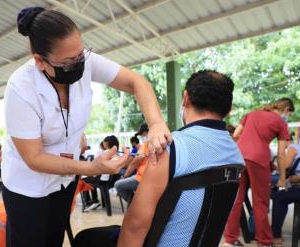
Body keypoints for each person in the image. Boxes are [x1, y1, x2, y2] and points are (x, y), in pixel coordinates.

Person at [2, 7, 171, 247]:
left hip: (64, 181)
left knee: (53, 239)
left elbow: (137, 82)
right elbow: (34, 158)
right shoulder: (20, 87)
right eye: (68, 62)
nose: (79, 64)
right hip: (28, 187)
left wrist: (156, 123)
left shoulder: (85, 61)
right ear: (40, 61)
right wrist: (92, 167)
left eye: (81, 55)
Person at [74, 70, 244, 247]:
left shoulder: (171, 147)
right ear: (229, 109)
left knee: (85, 238)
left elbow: (135, 226)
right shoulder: (236, 154)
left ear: (185, 99)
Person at [224, 98, 294, 247]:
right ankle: (264, 241)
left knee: (236, 199)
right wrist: (282, 178)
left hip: (239, 157)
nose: (287, 116)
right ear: (286, 109)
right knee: (260, 201)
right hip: (258, 159)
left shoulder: (252, 114)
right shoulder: (280, 123)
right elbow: (281, 154)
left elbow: (236, 135)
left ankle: (229, 240)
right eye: (289, 113)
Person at [271, 143, 300, 246]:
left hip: (295, 184)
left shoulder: (294, 147)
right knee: (279, 191)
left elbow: (285, 166)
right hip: (293, 184)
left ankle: (276, 235)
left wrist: (281, 155)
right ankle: (275, 232)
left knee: (279, 196)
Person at [83, 135, 120, 211]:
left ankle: (89, 202)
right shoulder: (117, 154)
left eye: (104, 142)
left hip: (102, 180)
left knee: (84, 180)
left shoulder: (106, 152)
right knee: (91, 179)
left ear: (107, 143)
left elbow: (96, 164)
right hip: (110, 181)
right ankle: (94, 200)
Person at [115, 123, 149, 203]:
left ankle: (134, 204)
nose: (142, 136)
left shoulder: (147, 144)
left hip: (142, 178)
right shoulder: (161, 143)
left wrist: (124, 176)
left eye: (142, 134)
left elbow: (135, 161)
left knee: (118, 185)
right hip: (149, 177)